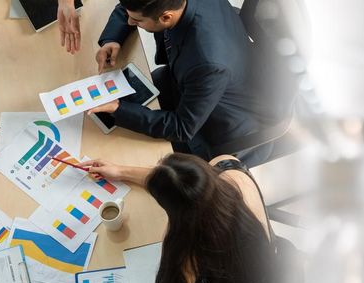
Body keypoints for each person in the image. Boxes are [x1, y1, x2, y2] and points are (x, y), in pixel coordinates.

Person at [78, 153, 303, 283]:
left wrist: (172, 232)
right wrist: (120, 171)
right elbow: (188, 184)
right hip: (285, 262)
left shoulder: (190, 248)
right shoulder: (228, 168)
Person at [59, 0, 279, 165]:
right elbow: (133, 7)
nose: (130, 22)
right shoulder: (167, 4)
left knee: (127, 152)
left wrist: (119, 109)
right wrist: (112, 38)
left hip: (217, 129)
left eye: (137, 21)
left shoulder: (207, 62)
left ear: (166, 18)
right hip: (187, 82)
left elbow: (182, 128)